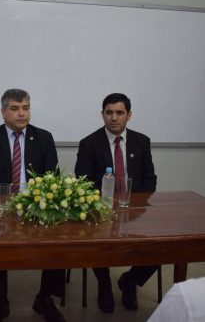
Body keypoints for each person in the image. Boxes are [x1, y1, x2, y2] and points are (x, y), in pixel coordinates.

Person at [0, 89, 66, 322]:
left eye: (25, 108)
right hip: (1, 207)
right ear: (3, 112)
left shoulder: (44, 137)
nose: (21, 113)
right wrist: (5, 205)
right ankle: (0, 301)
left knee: (59, 240)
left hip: (38, 206)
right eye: (15, 108)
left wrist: (35, 202)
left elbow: (52, 179)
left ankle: (44, 298)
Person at [74, 93, 158, 313]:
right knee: (96, 242)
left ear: (129, 115)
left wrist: (134, 206)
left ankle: (130, 281)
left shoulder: (142, 141)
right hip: (100, 211)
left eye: (119, 113)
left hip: (136, 210)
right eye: (109, 112)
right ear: (102, 115)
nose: (114, 118)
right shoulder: (89, 143)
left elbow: (150, 179)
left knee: (162, 243)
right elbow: (82, 183)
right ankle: (104, 284)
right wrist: (105, 205)